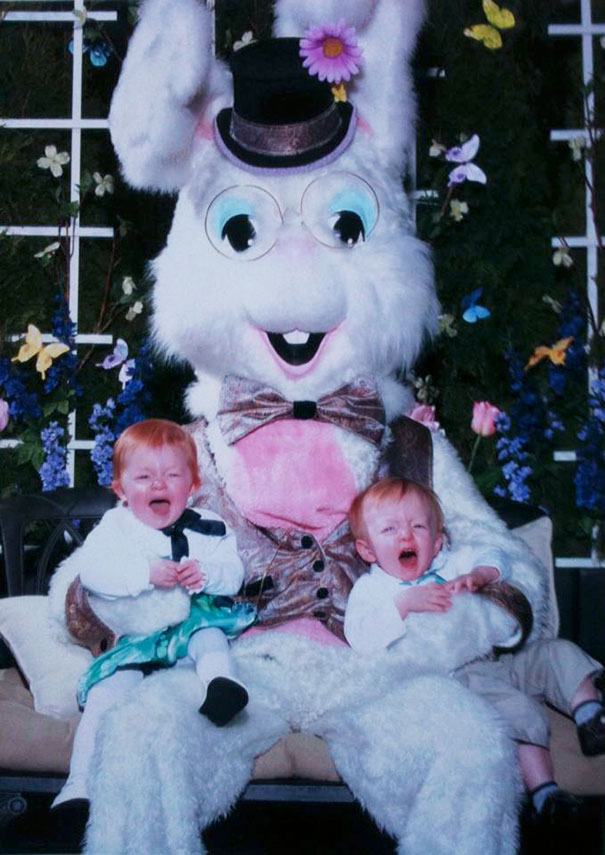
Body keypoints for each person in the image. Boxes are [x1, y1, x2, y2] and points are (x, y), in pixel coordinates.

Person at [345, 476, 605, 821]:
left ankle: (590, 717)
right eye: (390, 529)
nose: (406, 535)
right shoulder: (373, 590)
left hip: (501, 656)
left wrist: (480, 575)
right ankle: (545, 793)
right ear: (367, 550)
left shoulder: (448, 564)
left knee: (558, 652)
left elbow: (496, 554)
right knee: (520, 710)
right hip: (460, 676)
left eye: (418, 526)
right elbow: (360, 637)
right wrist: (403, 605)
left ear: (436, 542)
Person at [52, 419, 257, 817]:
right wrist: (143, 574)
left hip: (190, 630)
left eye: (172, 475)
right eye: (144, 477)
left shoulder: (211, 528)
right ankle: (78, 786)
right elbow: (92, 573)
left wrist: (206, 574)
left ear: (193, 485)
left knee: (208, 631)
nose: (158, 485)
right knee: (105, 694)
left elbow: (235, 572)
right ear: (121, 490)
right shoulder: (115, 528)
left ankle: (222, 685)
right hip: (138, 637)